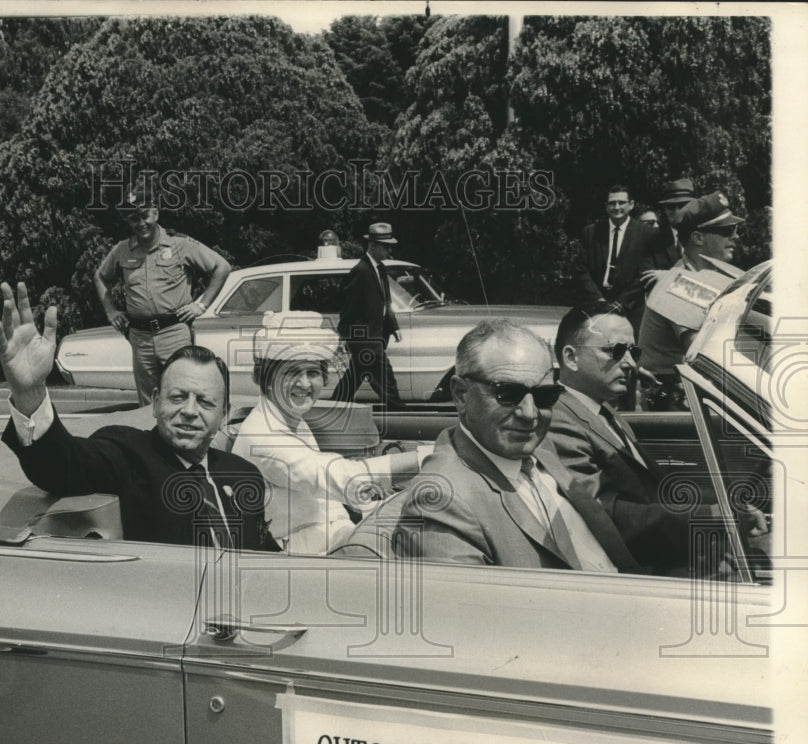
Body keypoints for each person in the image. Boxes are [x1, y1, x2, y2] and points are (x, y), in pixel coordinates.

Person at [0, 281, 277, 551]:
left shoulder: (244, 474)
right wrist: (30, 393)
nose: (190, 411)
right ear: (155, 402)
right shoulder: (128, 453)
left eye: (204, 402)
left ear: (223, 414)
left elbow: (264, 552)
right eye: (177, 397)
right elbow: (59, 466)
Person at [392, 320, 642, 572]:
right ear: (461, 395)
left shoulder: (541, 450)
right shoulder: (441, 503)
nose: (529, 413)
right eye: (508, 394)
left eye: (544, 396)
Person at [231, 312, 431, 554]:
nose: (305, 384)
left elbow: (326, 496)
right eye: (291, 372)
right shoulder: (262, 437)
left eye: (313, 372)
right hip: (292, 558)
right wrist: (426, 457)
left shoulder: (292, 420)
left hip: (328, 539)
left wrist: (368, 505)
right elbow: (337, 477)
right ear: (267, 377)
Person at [547, 304, 717, 571]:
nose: (630, 363)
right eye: (614, 351)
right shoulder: (558, 419)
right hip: (637, 570)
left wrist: (721, 503)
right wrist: (710, 518)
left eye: (633, 352)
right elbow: (604, 514)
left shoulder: (605, 412)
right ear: (570, 358)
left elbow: (653, 491)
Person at [94, 189, 232, 407]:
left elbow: (221, 267)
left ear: (155, 213)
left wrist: (201, 304)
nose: (141, 223)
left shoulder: (179, 244)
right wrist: (110, 310)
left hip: (174, 332)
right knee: (149, 403)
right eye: (134, 219)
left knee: (181, 393)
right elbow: (100, 277)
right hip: (140, 337)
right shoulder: (123, 250)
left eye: (144, 216)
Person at [638, 191, 745, 409]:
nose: (735, 237)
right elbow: (705, 354)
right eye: (727, 231)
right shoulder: (679, 285)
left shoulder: (706, 279)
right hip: (672, 401)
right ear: (698, 238)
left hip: (694, 394)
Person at [331, 222, 408, 411]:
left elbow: (386, 302)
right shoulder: (361, 271)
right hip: (365, 339)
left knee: (354, 376)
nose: (389, 250)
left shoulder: (380, 269)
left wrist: (393, 326)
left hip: (376, 336)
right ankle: (399, 413)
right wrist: (344, 337)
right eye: (386, 246)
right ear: (373, 245)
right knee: (385, 378)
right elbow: (349, 309)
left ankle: (333, 406)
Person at [575, 184, 658, 333]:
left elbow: (645, 273)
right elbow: (581, 270)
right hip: (595, 308)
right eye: (612, 203)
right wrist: (598, 300)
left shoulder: (646, 234)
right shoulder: (591, 232)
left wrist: (620, 303)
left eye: (621, 202)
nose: (616, 207)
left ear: (631, 205)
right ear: (606, 206)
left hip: (631, 309)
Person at [640, 178, 697, 272]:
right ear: (665, 210)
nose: (677, 211)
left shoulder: (706, 238)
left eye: (682, 205)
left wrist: (664, 275)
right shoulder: (652, 242)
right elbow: (648, 275)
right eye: (671, 206)